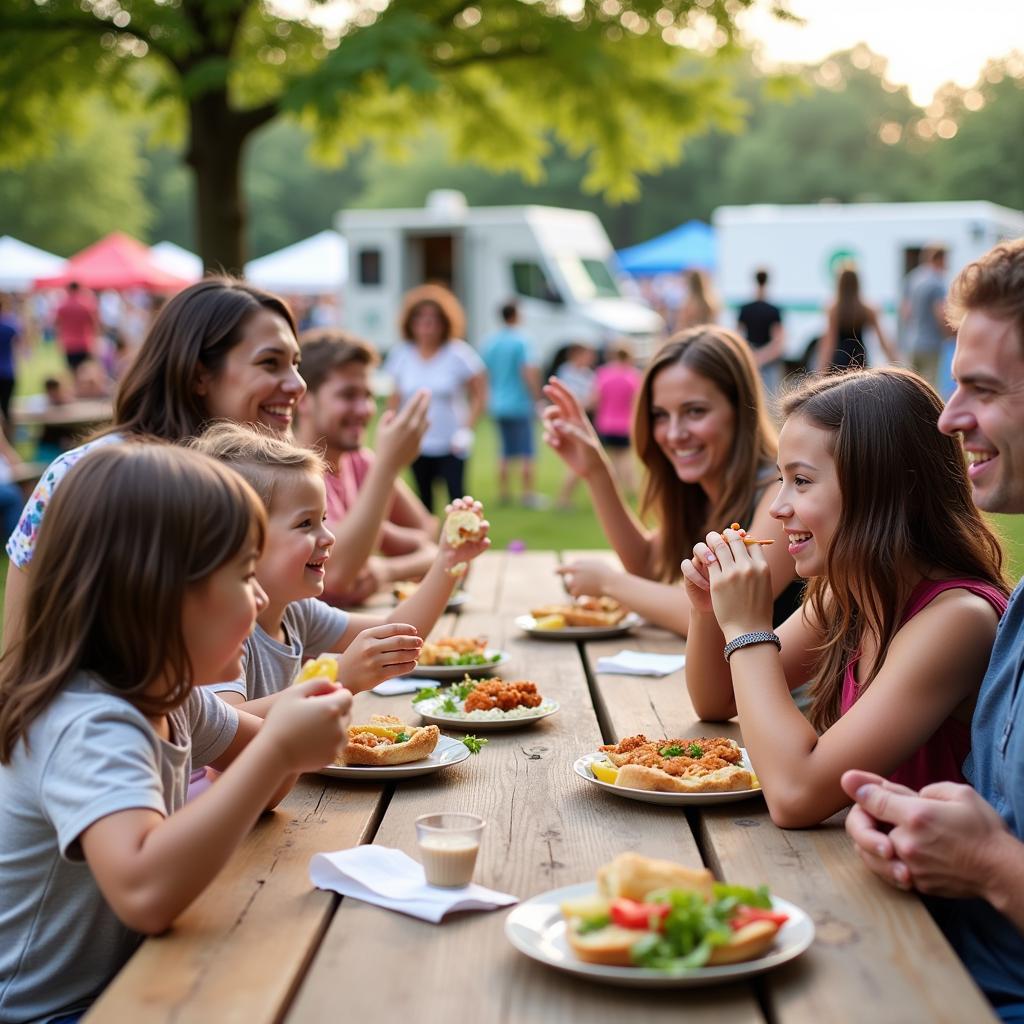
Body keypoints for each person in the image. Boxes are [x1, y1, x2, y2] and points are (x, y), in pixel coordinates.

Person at [0, 442, 353, 1024]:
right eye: (244, 574)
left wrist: (285, 741)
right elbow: (145, 895)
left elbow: (262, 787)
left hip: (132, 977)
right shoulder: (90, 720)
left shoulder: (171, 698)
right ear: (160, 593)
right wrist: (279, 747)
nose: (262, 596)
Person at [681, 368, 1008, 829]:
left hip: (925, 897)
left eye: (802, 481)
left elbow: (796, 795)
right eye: (780, 479)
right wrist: (709, 612)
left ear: (884, 490)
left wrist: (747, 629)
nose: (777, 508)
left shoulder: (958, 619)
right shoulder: (848, 593)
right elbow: (716, 701)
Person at [843, 239, 1024, 1021]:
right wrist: (912, 822)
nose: (950, 418)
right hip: (926, 951)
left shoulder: (965, 609)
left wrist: (987, 864)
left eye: (980, 389)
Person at [4, 275, 307, 650]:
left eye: (296, 363)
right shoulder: (94, 475)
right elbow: (20, 649)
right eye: (270, 363)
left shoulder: (264, 477)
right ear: (199, 374)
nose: (297, 384)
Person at [191, 423, 490, 715]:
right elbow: (227, 728)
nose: (328, 536)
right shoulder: (221, 628)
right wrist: (335, 679)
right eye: (305, 524)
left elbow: (397, 636)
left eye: (323, 520)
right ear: (240, 541)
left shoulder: (296, 612)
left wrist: (448, 561)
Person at [544, 327, 800, 637]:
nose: (675, 433)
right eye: (661, 415)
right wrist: (597, 472)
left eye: (694, 411)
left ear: (740, 408)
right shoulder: (701, 489)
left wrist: (609, 583)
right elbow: (648, 566)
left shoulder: (783, 496)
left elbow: (717, 613)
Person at [295, 329, 437, 607]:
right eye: (348, 395)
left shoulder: (360, 461)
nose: (364, 410)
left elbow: (428, 533)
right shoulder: (291, 473)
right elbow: (337, 577)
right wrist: (387, 466)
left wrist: (380, 556)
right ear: (304, 400)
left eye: (368, 395)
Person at [383, 285, 487, 512]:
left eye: (433, 319)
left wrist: (466, 430)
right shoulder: (401, 355)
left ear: (444, 322)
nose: (427, 325)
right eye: (420, 319)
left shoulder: (458, 353)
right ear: (410, 323)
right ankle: (428, 545)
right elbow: (395, 398)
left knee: (457, 502)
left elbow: (480, 393)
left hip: (451, 441)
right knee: (422, 502)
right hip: (417, 442)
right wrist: (395, 429)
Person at [481, 300, 543, 507]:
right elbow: (527, 370)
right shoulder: (521, 340)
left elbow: (485, 373)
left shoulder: (491, 342)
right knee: (527, 451)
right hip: (519, 403)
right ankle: (527, 494)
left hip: (498, 403)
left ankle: (504, 493)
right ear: (515, 315)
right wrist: (537, 397)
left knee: (504, 451)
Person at [816, 265, 898, 372]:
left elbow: (829, 343)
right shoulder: (867, 309)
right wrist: (896, 363)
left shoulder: (834, 309)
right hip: (859, 358)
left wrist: (821, 371)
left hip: (839, 360)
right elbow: (883, 341)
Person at [592, 340, 641, 498]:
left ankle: (613, 488)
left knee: (610, 459)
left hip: (605, 423)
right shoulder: (633, 376)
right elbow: (636, 401)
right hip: (625, 424)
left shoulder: (603, 374)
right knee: (625, 458)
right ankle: (630, 488)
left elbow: (596, 399)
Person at [553, 342, 596, 510]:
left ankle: (566, 498)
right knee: (579, 460)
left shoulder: (588, 375)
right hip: (572, 421)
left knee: (583, 460)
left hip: (583, 419)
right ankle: (563, 499)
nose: (590, 358)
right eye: (587, 354)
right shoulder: (566, 372)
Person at [901, 245, 950, 389]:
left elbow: (906, 312)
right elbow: (940, 313)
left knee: (912, 387)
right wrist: (950, 334)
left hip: (912, 342)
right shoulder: (937, 282)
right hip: (931, 344)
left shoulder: (913, 278)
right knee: (930, 389)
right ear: (940, 259)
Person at [737, 268, 785, 395]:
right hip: (769, 360)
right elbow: (779, 341)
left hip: (751, 356)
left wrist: (753, 355)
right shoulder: (774, 310)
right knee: (770, 401)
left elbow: (737, 336)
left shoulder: (745, 309)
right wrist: (763, 356)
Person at [53, 281, 99, 371]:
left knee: (73, 371)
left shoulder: (62, 306)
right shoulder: (86, 304)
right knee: (85, 371)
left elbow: (56, 324)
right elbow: (94, 324)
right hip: (84, 343)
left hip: (69, 344)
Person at [0, 295, 21, 428]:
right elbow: (19, 344)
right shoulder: (10, 324)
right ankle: (9, 437)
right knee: (7, 408)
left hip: (7, 370)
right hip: (8, 371)